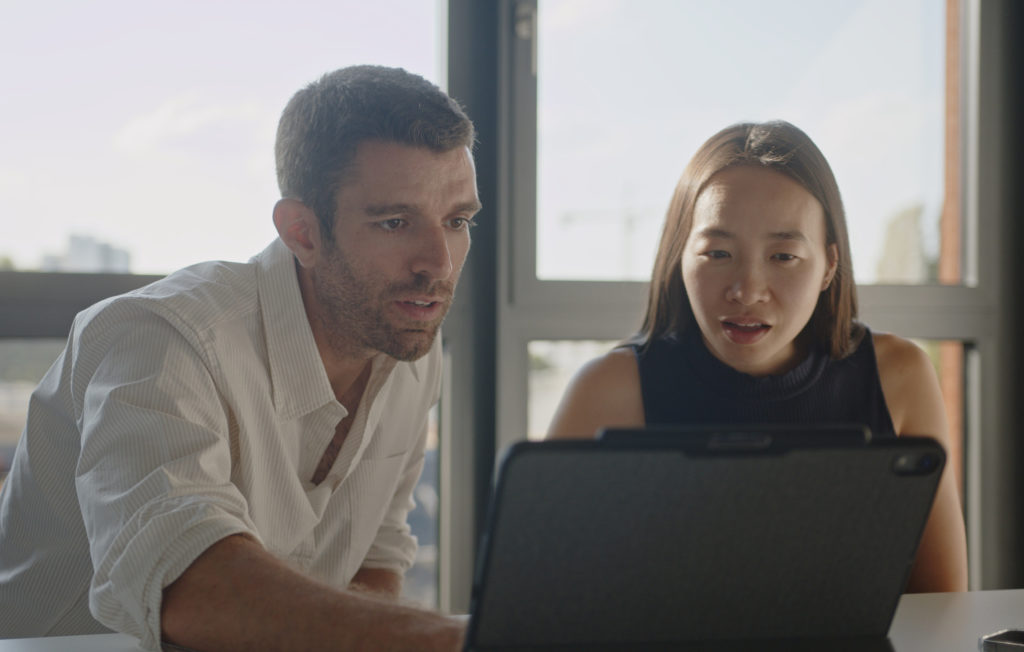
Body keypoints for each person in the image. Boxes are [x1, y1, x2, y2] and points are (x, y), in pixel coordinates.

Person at [0, 65, 481, 651]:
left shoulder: (406, 349)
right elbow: (190, 585)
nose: (440, 262)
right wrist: (465, 640)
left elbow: (374, 560)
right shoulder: (162, 339)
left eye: (457, 221)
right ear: (302, 233)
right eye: (394, 222)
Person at [547, 120, 968, 594]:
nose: (747, 291)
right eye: (718, 253)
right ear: (678, 258)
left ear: (829, 265)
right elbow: (538, 601)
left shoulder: (898, 377)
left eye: (783, 256)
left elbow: (941, 603)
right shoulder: (609, 392)